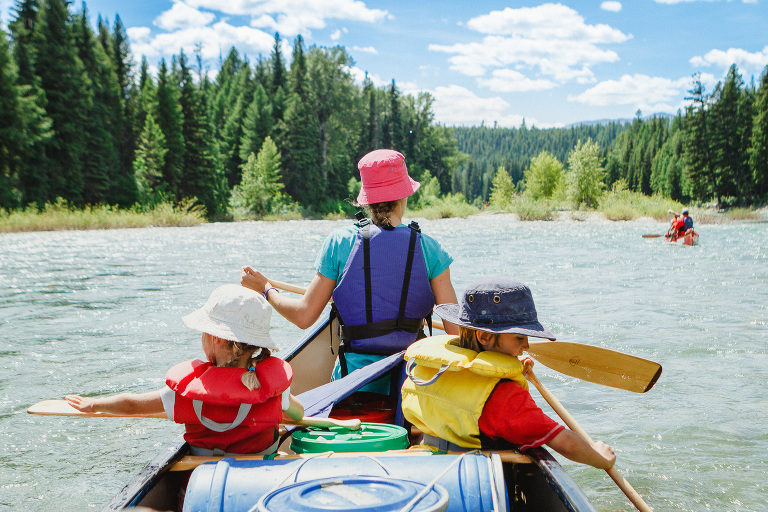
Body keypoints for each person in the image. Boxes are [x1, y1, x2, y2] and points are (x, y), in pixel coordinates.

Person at [241, 149, 458, 395]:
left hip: (353, 386)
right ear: (405, 195)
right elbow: (457, 332)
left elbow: (303, 317)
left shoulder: (339, 243)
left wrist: (266, 290)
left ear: (366, 199)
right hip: (413, 386)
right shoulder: (432, 249)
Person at [401, 278, 616, 471]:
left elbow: (470, 374)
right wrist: (599, 457)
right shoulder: (504, 396)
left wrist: (508, 363)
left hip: (427, 462)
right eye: (519, 338)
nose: (528, 346)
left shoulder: (433, 368)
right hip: (473, 474)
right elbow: (566, 444)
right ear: (484, 337)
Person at [66, 284, 304, 456]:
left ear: (216, 339)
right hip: (259, 478)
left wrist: (95, 404)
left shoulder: (185, 394)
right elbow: (299, 415)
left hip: (201, 483)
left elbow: (132, 405)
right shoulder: (273, 390)